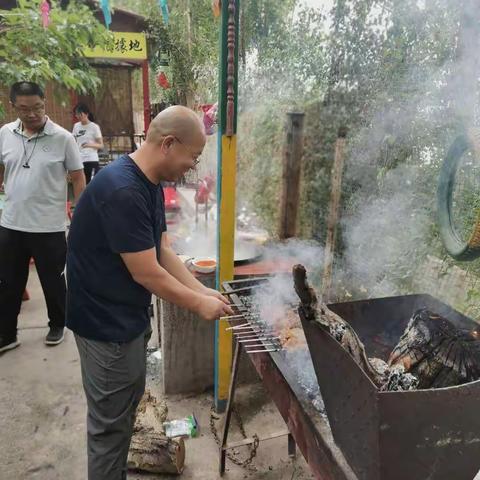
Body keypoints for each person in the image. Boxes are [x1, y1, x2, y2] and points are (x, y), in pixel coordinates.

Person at [66, 105, 233, 480]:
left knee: (123, 413)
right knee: (109, 429)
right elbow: (148, 274)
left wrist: (207, 295)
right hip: (104, 325)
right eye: (193, 156)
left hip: (126, 317)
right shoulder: (122, 189)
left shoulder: (149, 183)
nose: (193, 166)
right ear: (169, 144)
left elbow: (162, 252)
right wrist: (198, 305)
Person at [0, 81, 86, 353]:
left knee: (53, 281)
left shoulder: (62, 138)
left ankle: (58, 324)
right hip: (11, 223)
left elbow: (77, 176)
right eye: (25, 109)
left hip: (48, 226)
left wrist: (80, 215)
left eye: (37, 107)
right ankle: (7, 334)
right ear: (14, 107)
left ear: (44, 103)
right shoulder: (5, 133)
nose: (32, 114)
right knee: (9, 282)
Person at [72, 103, 104, 183]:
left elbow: (101, 145)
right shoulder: (76, 126)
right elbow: (73, 141)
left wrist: (89, 145)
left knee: (90, 184)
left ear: (86, 113)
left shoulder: (94, 127)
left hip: (91, 159)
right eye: (76, 114)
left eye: (80, 114)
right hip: (79, 160)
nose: (78, 116)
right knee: (81, 183)